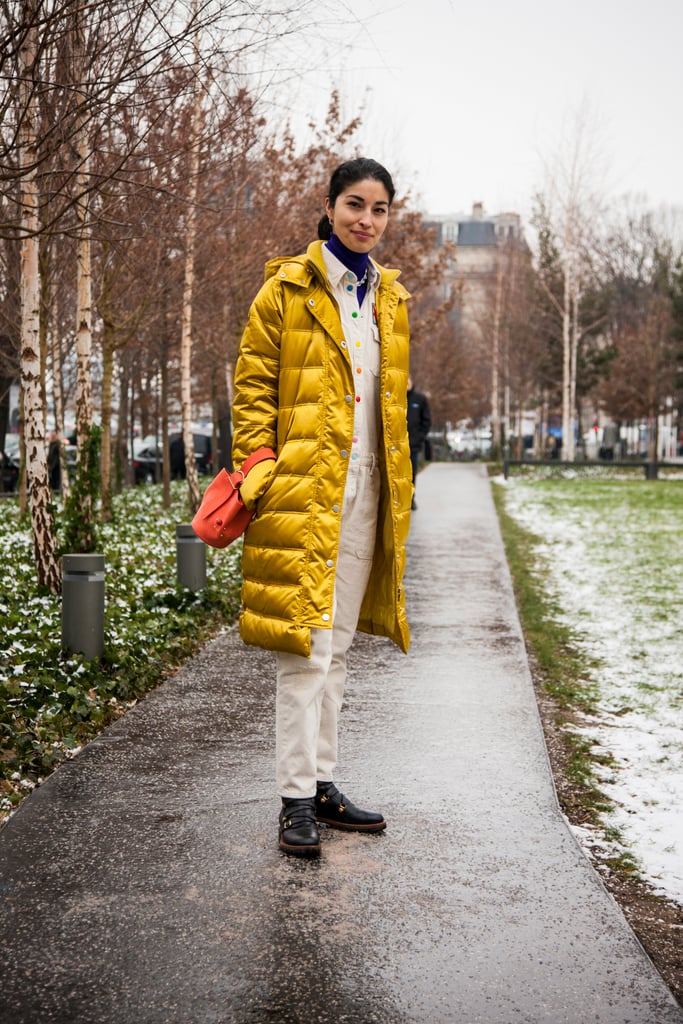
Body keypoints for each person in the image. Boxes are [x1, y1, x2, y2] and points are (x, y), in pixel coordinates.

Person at [231, 157, 413, 858]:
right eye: (354, 204)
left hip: (368, 489)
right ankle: (293, 799)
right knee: (303, 652)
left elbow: (389, 404)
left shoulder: (389, 299)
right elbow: (251, 393)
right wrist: (264, 472)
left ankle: (323, 782)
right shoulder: (284, 291)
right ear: (329, 207)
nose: (366, 219)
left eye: (379, 209)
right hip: (304, 490)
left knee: (336, 650)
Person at [406, 376, 431, 509]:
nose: (406, 384)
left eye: (408, 381)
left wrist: (418, 438)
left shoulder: (420, 400)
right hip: (397, 445)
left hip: (413, 445)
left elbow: (426, 422)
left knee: (412, 473)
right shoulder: (396, 398)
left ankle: (411, 498)